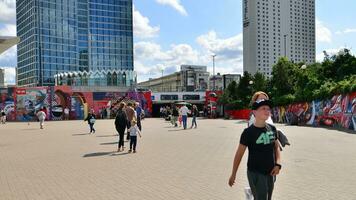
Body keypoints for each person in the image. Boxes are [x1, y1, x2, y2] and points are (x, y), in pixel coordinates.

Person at [228, 99, 281, 200]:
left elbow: (276, 147)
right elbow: (239, 154)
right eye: (263, 108)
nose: (267, 111)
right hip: (256, 173)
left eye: (268, 109)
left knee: (268, 197)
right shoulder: (248, 133)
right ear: (254, 112)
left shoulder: (272, 129)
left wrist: (278, 164)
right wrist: (233, 174)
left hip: (270, 172)